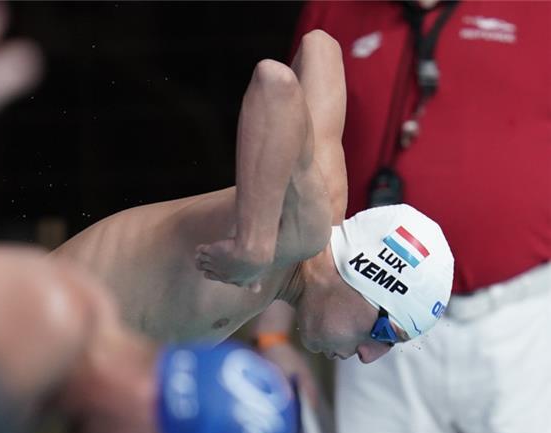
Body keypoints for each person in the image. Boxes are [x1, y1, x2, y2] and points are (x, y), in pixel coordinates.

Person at [256, 2, 551, 433]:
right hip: (371, 318)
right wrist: (273, 329)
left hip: (526, 316)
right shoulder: (332, 10)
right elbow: (289, 174)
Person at [52, 30, 454, 367]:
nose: (370, 356)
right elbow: (273, 83)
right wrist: (254, 242)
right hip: (21, 327)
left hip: (43, 338)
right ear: (366, 277)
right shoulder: (302, 230)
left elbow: (321, 46)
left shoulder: (321, 204)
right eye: (385, 334)